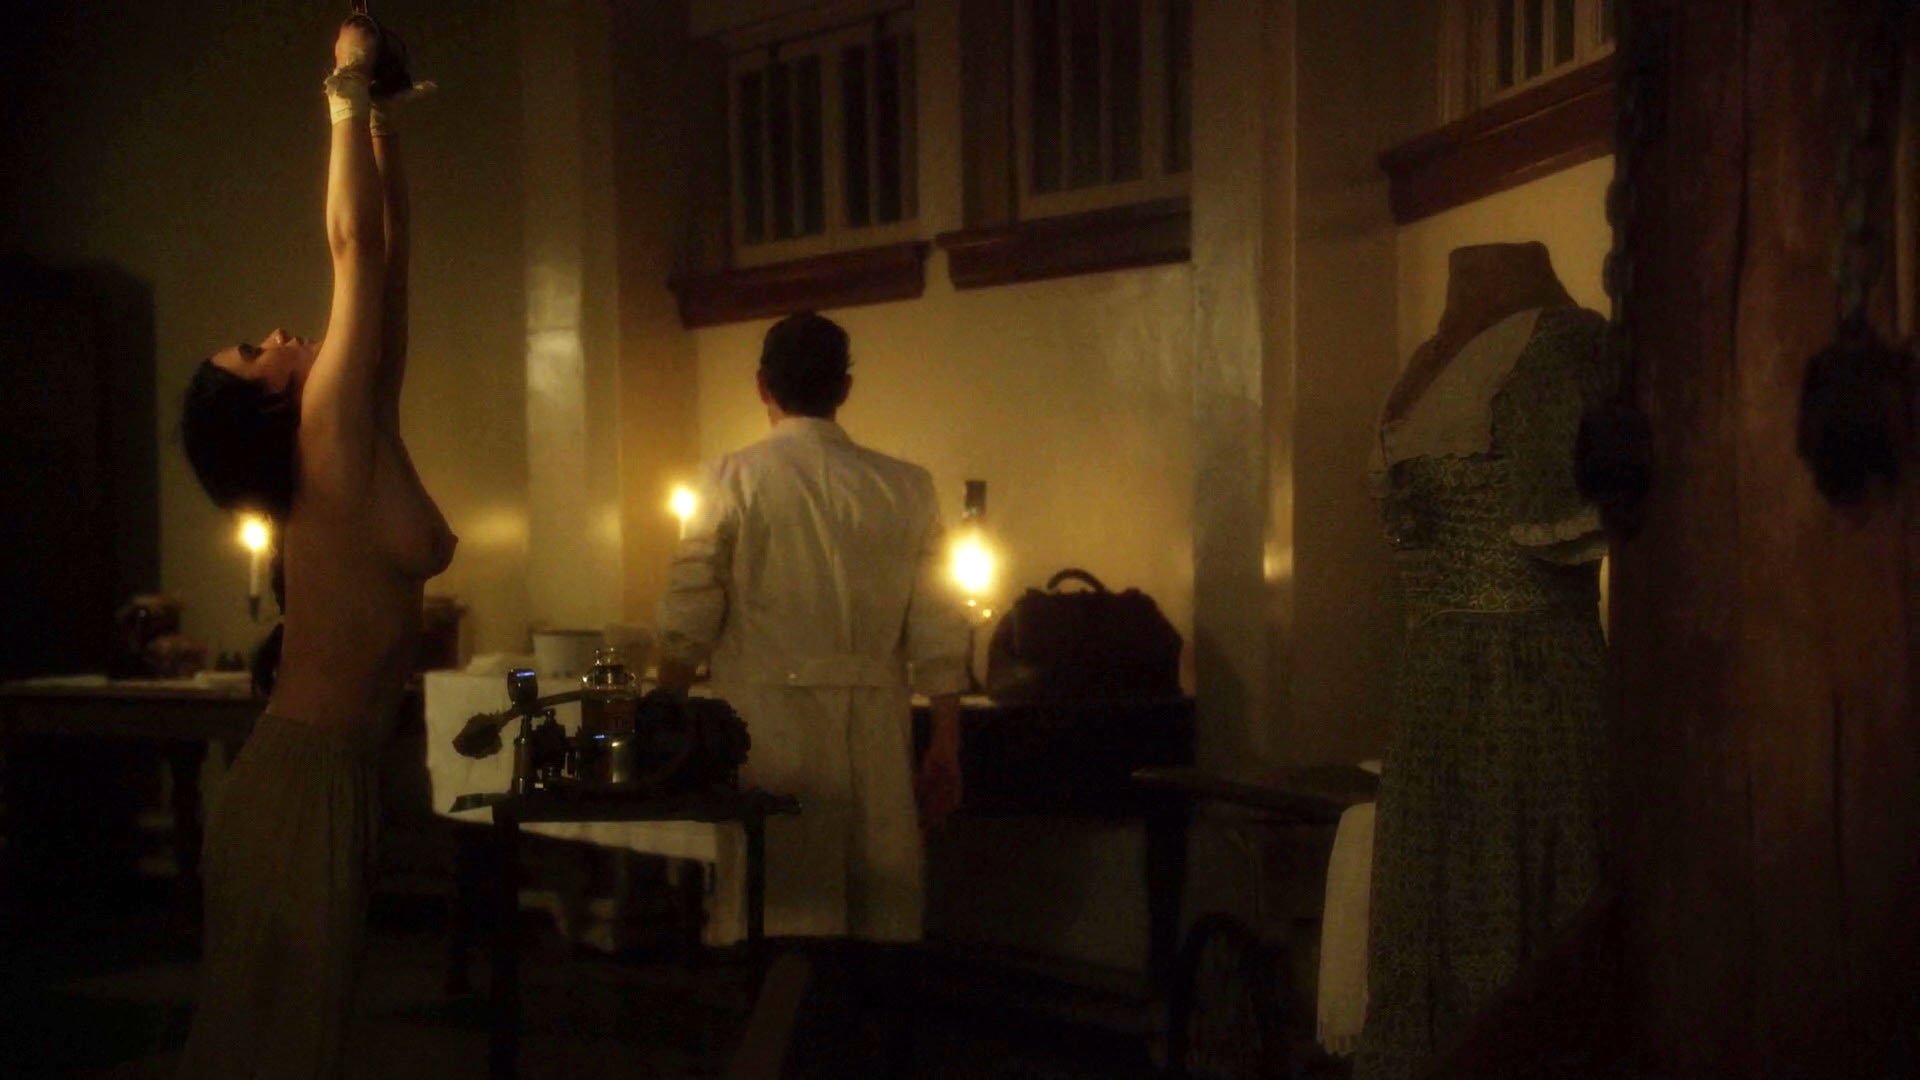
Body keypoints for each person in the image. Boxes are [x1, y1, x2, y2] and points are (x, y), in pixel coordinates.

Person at [176, 16, 454, 1077]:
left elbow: (393, 264)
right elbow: (353, 250)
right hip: (301, 783)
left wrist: (384, 124)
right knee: (271, 1053)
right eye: (257, 351)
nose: (281, 336)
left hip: (331, 781)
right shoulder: (325, 427)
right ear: (267, 399)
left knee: (299, 1047)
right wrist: (343, 84)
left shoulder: (355, 424)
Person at [655, 311, 971, 1074]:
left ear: (762, 385)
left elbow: (691, 612)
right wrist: (946, 740)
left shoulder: (730, 479)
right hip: (873, 732)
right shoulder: (907, 488)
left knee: (780, 912)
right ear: (846, 387)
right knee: (869, 923)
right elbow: (938, 625)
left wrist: (666, 705)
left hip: (767, 726)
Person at [1355, 243, 1611, 1079]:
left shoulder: (1560, 346)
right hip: (1434, 687)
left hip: (1529, 683)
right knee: (1433, 915)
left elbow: (1563, 520)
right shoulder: (1429, 363)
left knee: (1524, 903)